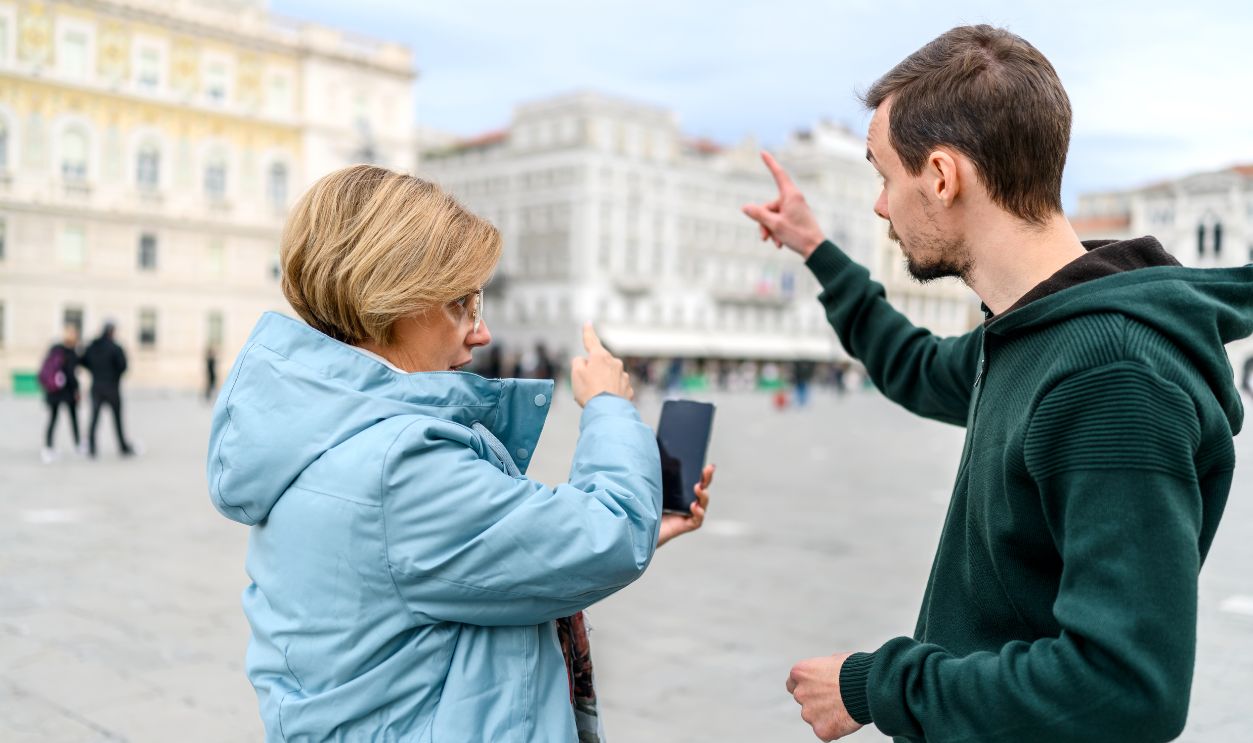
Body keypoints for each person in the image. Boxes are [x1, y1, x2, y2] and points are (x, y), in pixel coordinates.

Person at [742, 24, 1253, 743]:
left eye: (884, 176)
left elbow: (1127, 688)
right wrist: (815, 249)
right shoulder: (1029, 331)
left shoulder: (1110, 374)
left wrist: (873, 685)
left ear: (942, 177)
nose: (880, 205)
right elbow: (914, 366)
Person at [207, 165, 713, 742]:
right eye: (460, 304)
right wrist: (609, 407)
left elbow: (493, 562)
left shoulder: (322, 429)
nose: (481, 332)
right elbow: (610, 534)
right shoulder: (400, 465)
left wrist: (646, 524)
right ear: (392, 298)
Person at [81, 321, 134, 457]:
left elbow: (83, 361)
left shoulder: (93, 346)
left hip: (97, 386)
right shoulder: (115, 348)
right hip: (112, 387)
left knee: (94, 418)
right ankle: (122, 446)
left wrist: (95, 371)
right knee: (117, 419)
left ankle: (92, 447)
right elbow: (123, 367)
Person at [39, 324, 82, 463]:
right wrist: (76, 389)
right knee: (72, 419)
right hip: (65, 392)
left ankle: (48, 447)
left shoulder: (55, 348)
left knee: (53, 419)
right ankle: (77, 445)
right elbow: (71, 374)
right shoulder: (70, 352)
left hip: (53, 391)